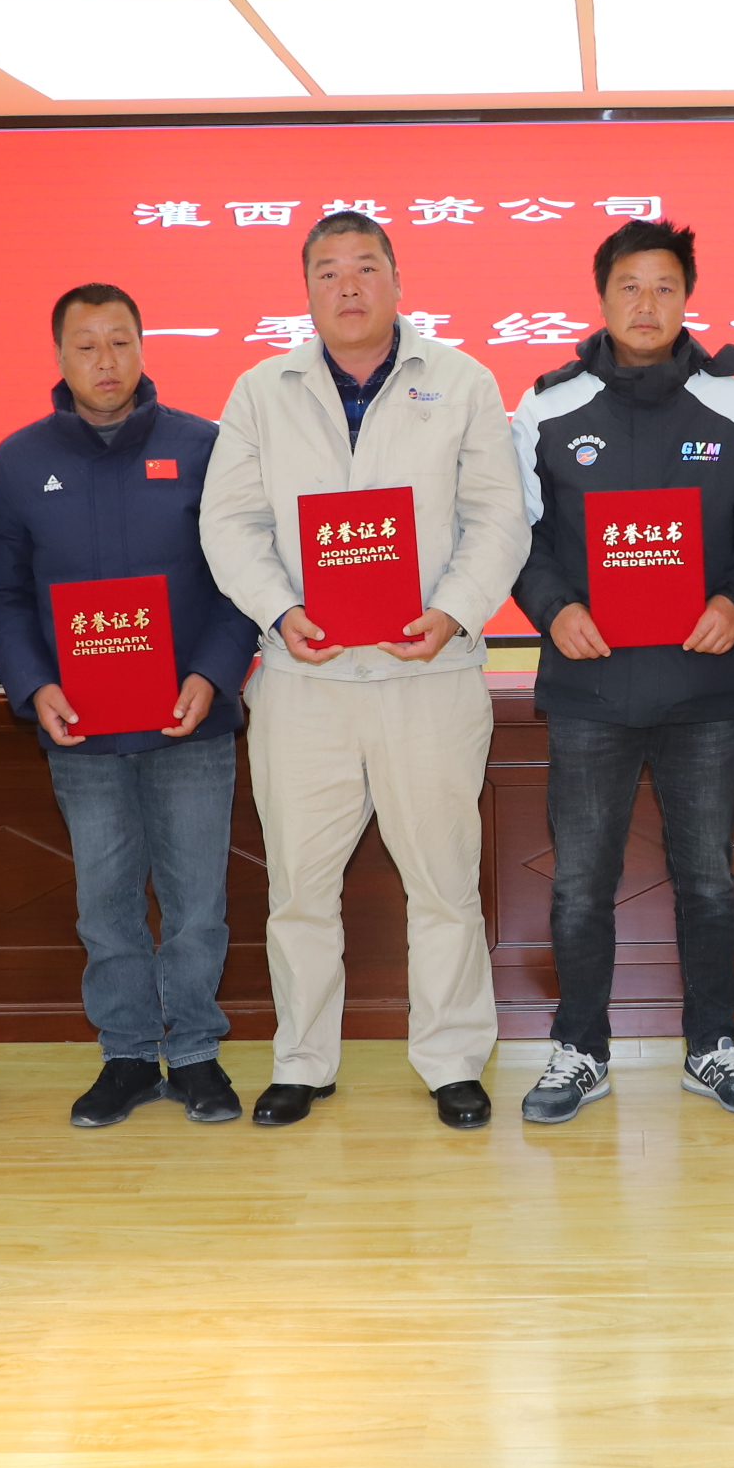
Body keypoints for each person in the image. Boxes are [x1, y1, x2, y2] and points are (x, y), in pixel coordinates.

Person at [199, 211, 532, 1131]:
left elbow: (498, 516)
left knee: (444, 884)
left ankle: (453, 1060)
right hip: (304, 680)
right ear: (306, 289)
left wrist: (454, 610)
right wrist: (280, 609)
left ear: (396, 280)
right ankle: (302, 1061)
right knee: (299, 890)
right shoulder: (261, 390)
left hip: (428, 675)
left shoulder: (461, 380)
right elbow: (229, 522)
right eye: (328, 271)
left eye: (365, 268)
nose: (348, 286)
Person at [508, 220, 734, 1123]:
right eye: (629, 286)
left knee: (707, 878)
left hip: (702, 688)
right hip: (589, 688)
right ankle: (580, 1050)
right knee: (581, 883)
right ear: (602, 297)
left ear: (686, 297)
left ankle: (711, 1045)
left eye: (665, 287)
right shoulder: (546, 410)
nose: (646, 303)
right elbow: (520, 538)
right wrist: (556, 609)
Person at [0, 283, 259, 1129]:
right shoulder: (19, 461)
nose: (106, 361)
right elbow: (4, 593)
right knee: (104, 905)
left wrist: (213, 673)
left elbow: (240, 579)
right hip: (82, 728)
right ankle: (129, 1055)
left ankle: (198, 1053)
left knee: (196, 903)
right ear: (59, 357)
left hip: (190, 720)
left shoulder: (205, 447)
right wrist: (35, 685)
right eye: (86, 345)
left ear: (143, 347)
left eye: (120, 342)